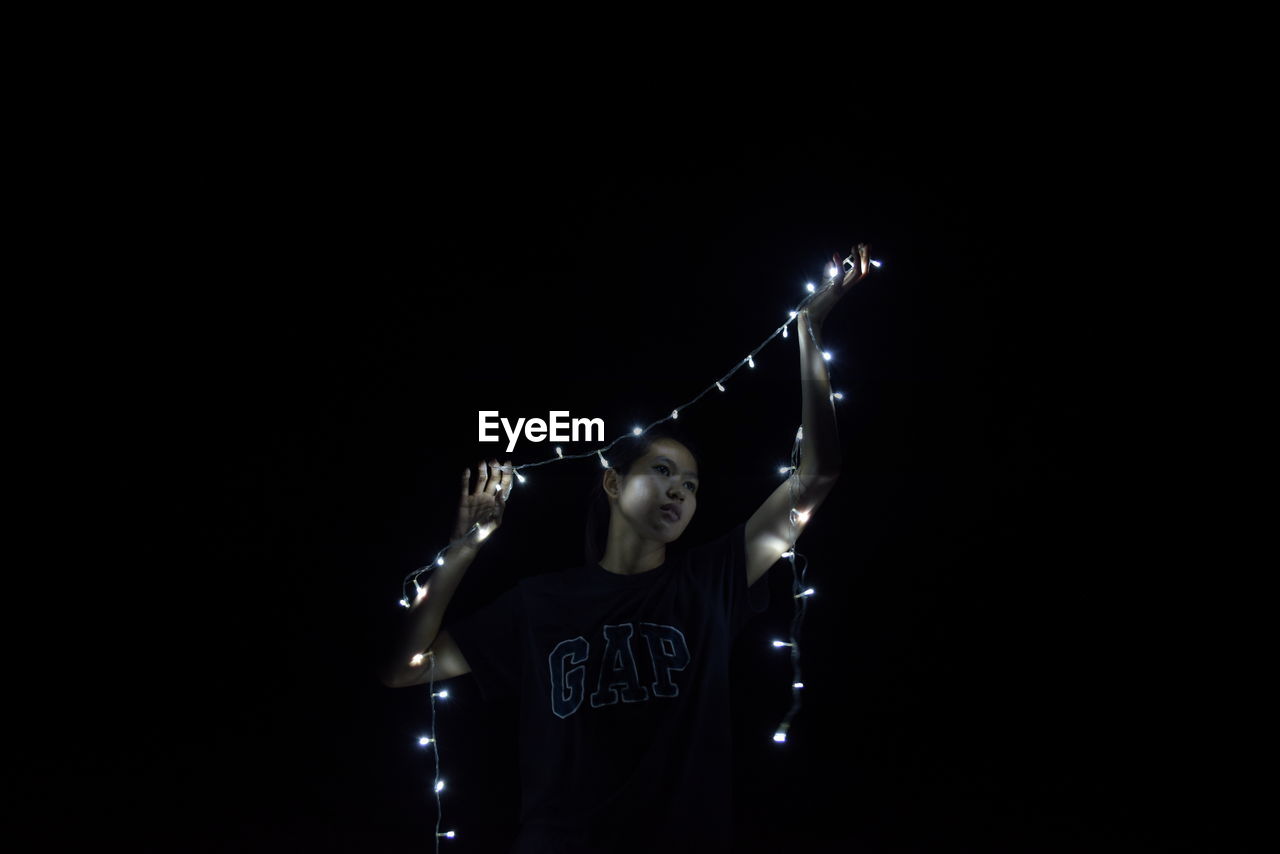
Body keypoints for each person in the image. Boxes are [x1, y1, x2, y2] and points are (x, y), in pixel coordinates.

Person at [382, 244, 875, 852]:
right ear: (612, 483)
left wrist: (809, 326)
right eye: (663, 471)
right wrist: (463, 548)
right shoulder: (541, 603)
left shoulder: (711, 578)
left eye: (691, 484)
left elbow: (817, 474)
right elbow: (405, 668)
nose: (680, 491)